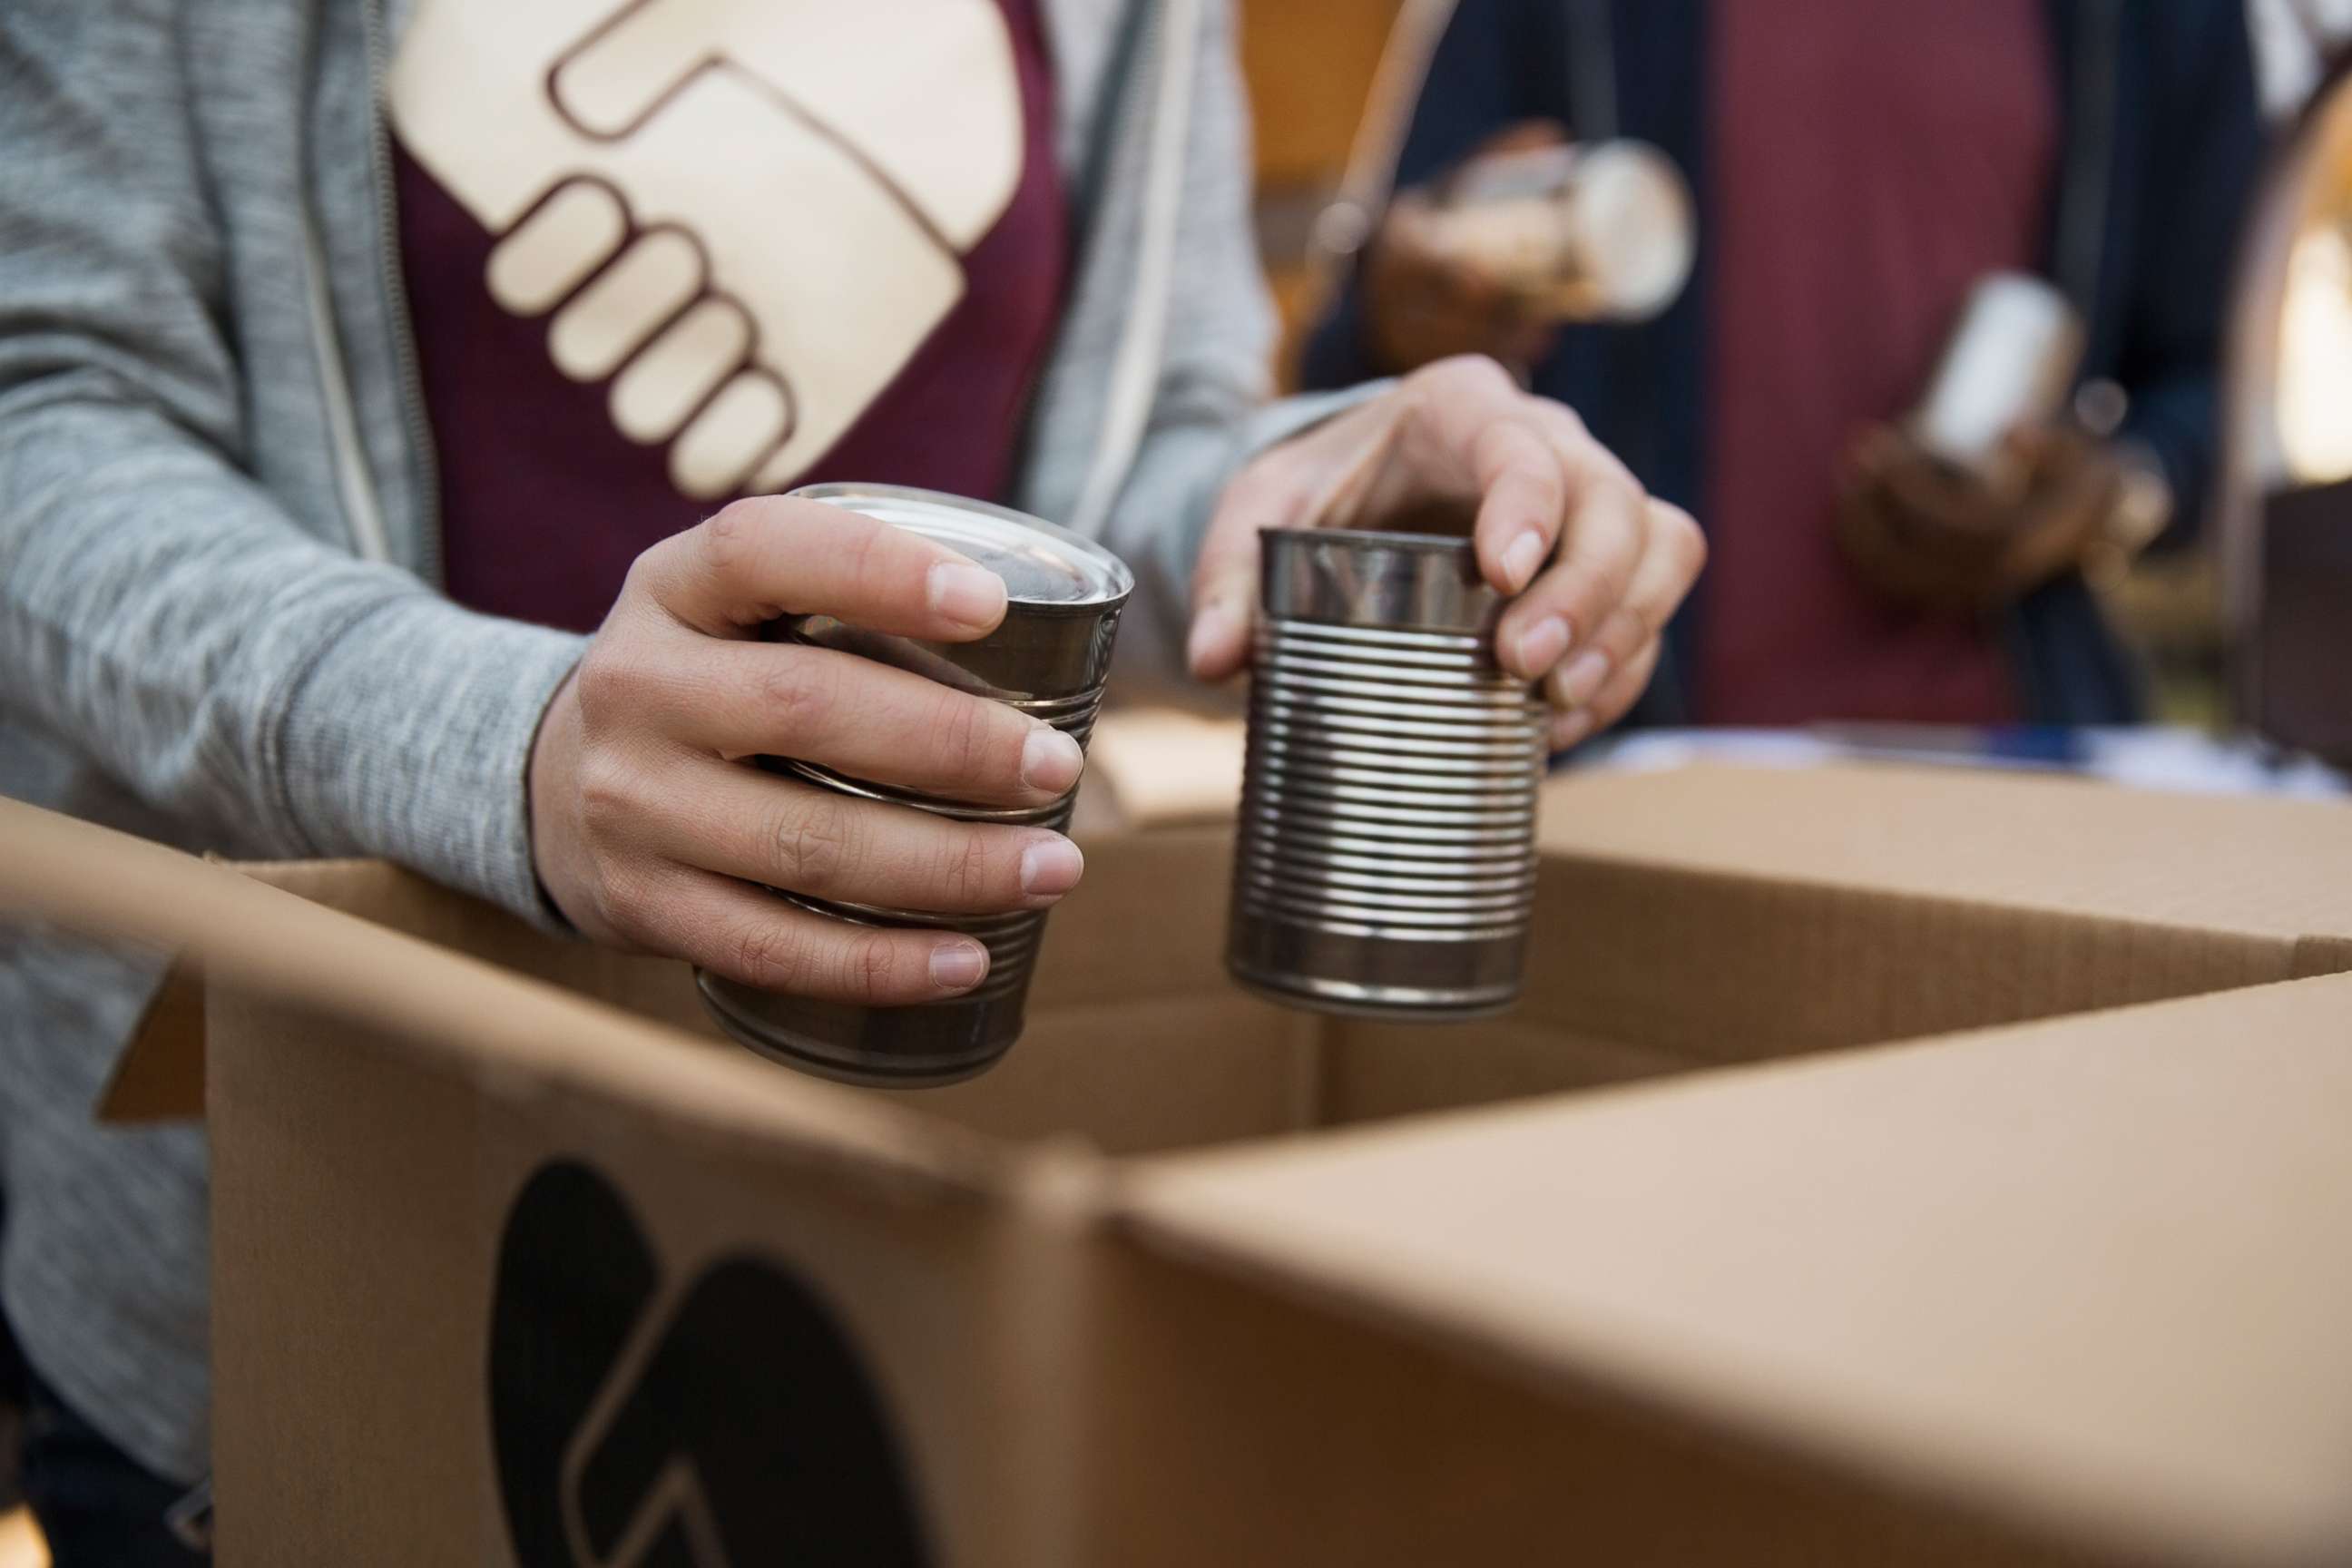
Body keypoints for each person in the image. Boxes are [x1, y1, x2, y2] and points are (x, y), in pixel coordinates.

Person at [0, 1, 1702, 1560]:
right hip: (293, 1198)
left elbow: (1121, 483)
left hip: (872, 1219)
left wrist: (1332, 481)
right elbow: (43, 413)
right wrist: (514, 743)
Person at [1303, 0, 2265, 727]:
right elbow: (1352, 367)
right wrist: (1409, 313)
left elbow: (2209, 384)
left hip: (2013, 764)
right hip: (1625, 761)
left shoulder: (2157, 18)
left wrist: (2107, 495)